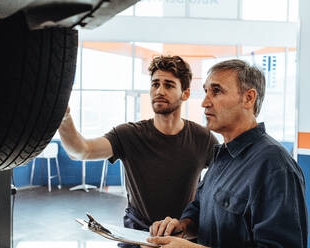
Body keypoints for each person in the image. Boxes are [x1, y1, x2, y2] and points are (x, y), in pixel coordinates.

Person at [58, 55, 219, 247]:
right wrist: (62, 116)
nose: (159, 90)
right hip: (135, 238)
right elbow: (81, 151)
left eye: (168, 85)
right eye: (155, 84)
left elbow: (222, 184)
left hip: (181, 239)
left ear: (185, 94)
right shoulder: (128, 134)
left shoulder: (203, 138)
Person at [147, 59, 308, 248]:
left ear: (248, 98)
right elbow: (200, 208)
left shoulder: (275, 166)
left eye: (216, 91)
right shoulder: (223, 154)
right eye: (206, 91)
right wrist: (182, 226)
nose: (205, 102)